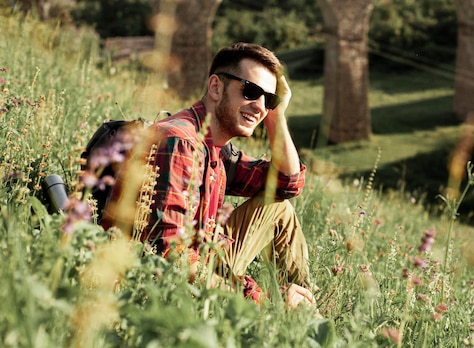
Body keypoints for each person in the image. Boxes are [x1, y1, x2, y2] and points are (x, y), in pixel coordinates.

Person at [101, 42, 314, 307]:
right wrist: (263, 300)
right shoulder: (180, 142)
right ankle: (288, 313)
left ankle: (304, 312)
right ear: (215, 87)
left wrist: (276, 116)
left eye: (268, 99)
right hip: (150, 283)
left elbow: (287, 183)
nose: (259, 106)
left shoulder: (214, 148)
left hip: (199, 256)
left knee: (279, 210)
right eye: (250, 91)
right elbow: (169, 255)